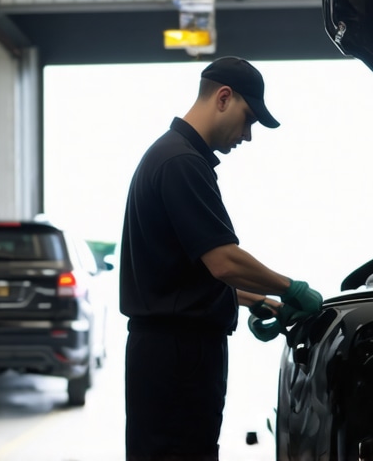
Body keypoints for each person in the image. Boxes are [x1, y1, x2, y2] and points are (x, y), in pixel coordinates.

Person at [119, 56, 322, 461]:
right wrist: (291, 288)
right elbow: (223, 261)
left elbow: (186, 272)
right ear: (224, 98)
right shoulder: (182, 164)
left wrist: (260, 302)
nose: (246, 136)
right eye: (248, 120)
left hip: (166, 352)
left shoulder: (171, 155)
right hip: (178, 356)